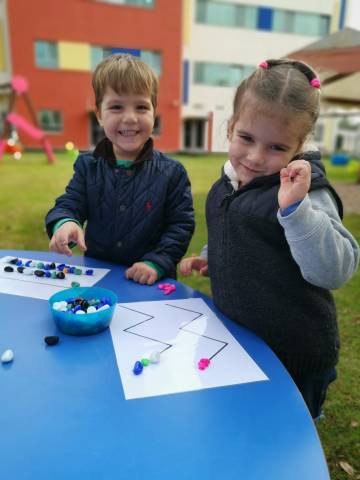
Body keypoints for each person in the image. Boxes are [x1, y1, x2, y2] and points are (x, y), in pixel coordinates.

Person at [180, 58, 359, 419]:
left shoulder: (305, 195)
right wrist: (210, 256)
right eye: (246, 138)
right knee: (241, 424)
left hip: (293, 353)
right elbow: (236, 233)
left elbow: (336, 270)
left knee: (284, 440)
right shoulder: (225, 186)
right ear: (230, 127)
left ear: (299, 146)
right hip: (240, 339)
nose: (256, 157)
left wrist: (297, 212)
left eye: (277, 148)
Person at [46, 54, 194, 285]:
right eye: (116, 107)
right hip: (98, 278)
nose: (130, 118)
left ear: (154, 112)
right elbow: (70, 203)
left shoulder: (172, 173)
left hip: (150, 283)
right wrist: (65, 222)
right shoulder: (88, 167)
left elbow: (180, 226)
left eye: (141, 107)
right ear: (99, 115)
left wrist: (157, 261)